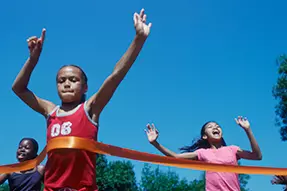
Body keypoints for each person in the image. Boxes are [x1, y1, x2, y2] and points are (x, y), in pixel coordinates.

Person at [12, 8, 151, 191]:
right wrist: (32, 60)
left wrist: (138, 40)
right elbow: (18, 89)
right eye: (61, 81)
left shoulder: (90, 109)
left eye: (73, 80)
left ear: (85, 87)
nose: (67, 84)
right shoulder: (50, 111)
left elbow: (115, 76)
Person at [145, 116, 262, 191]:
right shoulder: (202, 153)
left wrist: (248, 130)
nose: (215, 127)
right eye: (210, 127)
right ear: (205, 136)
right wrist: (155, 143)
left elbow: (257, 156)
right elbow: (175, 157)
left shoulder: (232, 149)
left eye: (217, 126)